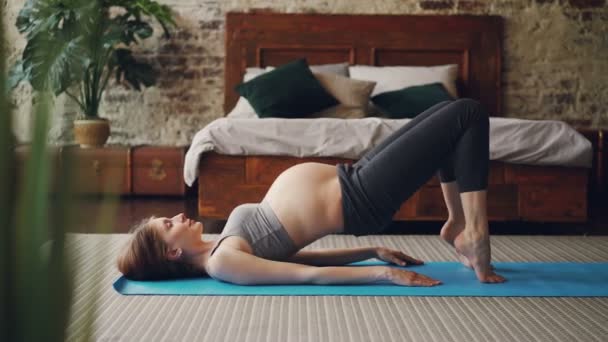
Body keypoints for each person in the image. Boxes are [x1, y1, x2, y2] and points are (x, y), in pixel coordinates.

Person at [117, 98, 506, 286]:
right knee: (468, 114)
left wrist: (370, 252)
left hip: (354, 178)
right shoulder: (221, 264)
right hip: (361, 197)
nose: (179, 216)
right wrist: (382, 274)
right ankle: (474, 232)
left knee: (452, 113)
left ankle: (457, 222)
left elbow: (299, 254)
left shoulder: (221, 248)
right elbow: (304, 274)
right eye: (169, 223)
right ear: (171, 251)